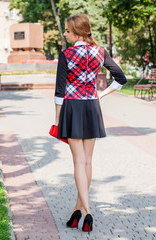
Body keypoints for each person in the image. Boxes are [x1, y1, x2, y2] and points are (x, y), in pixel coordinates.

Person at [54, 13, 127, 233]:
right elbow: (121, 79)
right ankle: (77, 210)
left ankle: (87, 212)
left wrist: (57, 120)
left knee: (78, 163)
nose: (65, 34)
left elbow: (59, 92)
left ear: (76, 32)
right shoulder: (100, 52)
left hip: (73, 108)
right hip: (92, 107)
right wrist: (100, 96)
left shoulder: (66, 54)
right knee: (87, 162)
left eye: (67, 30)